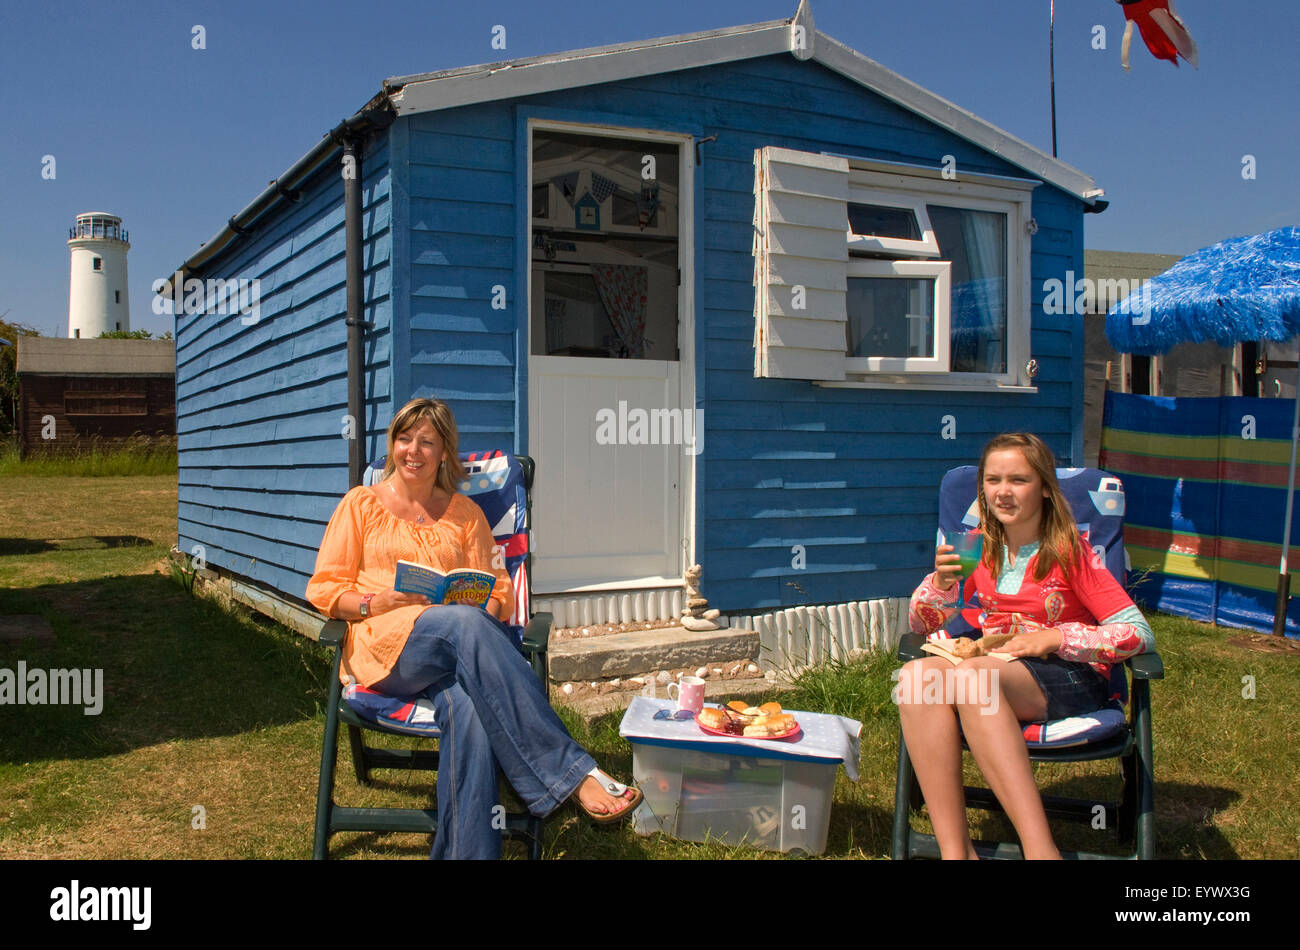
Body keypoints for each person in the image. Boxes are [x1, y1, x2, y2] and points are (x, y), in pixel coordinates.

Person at [306, 397, 640, 859]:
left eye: (427, 441)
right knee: (463, 625)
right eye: (404, 438)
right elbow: (325, 589)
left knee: (473, 708)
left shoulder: (465, 514)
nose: (413, 450)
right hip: (385, 648)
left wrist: (487, 599)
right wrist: (374, 600)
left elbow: (500, 588)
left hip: (461, 651)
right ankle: (570, 771)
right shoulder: (360, 505)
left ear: (444, 452)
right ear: (392, 445)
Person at [900, 432, 1153, 859]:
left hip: (1069, 675)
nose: (1002, 491)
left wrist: (1056, 636)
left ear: (1044, 489)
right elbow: (923, 623)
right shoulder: (978, 546)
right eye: (993, 480)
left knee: (973, 678)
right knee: (915, 677)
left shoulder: (1071, 552)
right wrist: (942, 583)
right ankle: (955, 853)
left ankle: (1041, 852)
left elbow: (1137, 632)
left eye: (1018, 480)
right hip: (998, 670)